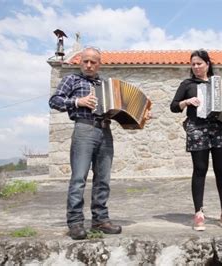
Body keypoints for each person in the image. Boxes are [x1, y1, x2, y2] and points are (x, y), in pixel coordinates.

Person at [49, 47, 151, 239]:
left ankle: (100, 220)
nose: (89, 65)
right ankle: (75, 223)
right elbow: (54, 101)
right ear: (80, 62)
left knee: (103, 179)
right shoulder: (71, 80)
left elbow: (121, 110)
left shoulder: (106, 85)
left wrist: (141, 115)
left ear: (99, 64)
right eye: (86, 61)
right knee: (79, 179)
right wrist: (79, 102)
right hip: (83, 129)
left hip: (105, 131)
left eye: (93, 62)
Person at [170, 49, 222, 231]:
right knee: (199, 170)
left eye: (199, 63)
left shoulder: (219, 84)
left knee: (221, 170)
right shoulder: (187, 84)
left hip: (220, 129)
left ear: (207, 64)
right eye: (193, 64)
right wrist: (187, 102)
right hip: (197, 128)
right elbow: (174, 106)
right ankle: (198, 213)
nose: (195, 67)